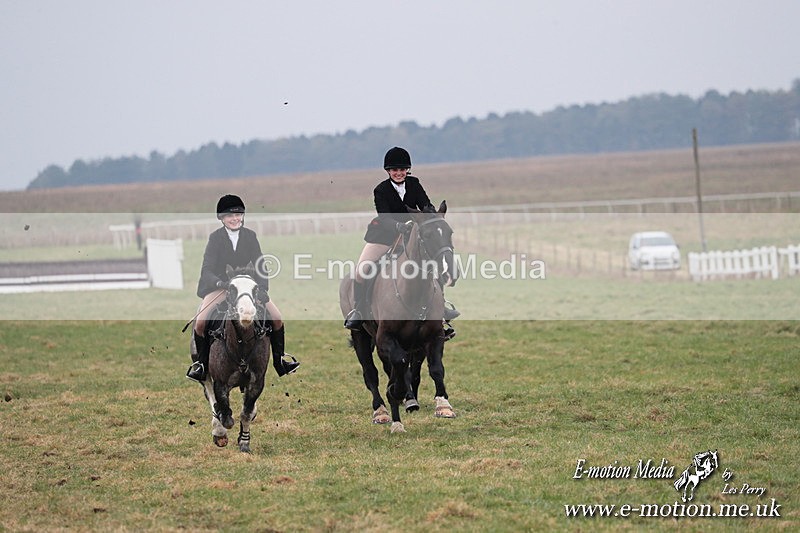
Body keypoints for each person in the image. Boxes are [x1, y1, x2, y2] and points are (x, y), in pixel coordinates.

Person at [186, 194, 300, 382]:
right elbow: (207, 269)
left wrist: (262, 288)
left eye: (238, 215)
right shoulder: (215, 238)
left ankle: (280, 361)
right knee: (200, 322)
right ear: (222, 218)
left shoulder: (250, 236)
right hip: (223, 288)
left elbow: (261, 265)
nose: (235, 219)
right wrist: (219, 283)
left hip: (248, 288)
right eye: (230, 216)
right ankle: (201, 365)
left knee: (277, 318)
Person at [343, 146, 459, 331]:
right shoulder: (381, 190)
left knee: (431, 264)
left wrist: (431, 215)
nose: (399, 173)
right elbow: (384, 217)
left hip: (411, 235)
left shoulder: (414, 184)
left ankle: (441, 308)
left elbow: (425, 204)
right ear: (388, 171)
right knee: (362, 270)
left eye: (402, 169)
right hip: (384, 236)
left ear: (407, 170)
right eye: (395, 170)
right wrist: (399, 226)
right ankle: (359, 310)